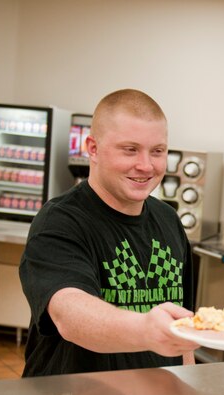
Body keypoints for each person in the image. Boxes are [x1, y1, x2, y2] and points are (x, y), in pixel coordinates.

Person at [19, 89, 199, 377]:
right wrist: (146, 329)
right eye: (130, 149)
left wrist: (188, 385)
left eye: (157, 151)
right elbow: (70, 314)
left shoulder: (168, 220)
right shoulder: (60, 221)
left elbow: (183, 326)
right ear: (93, 148)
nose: (146, 165)